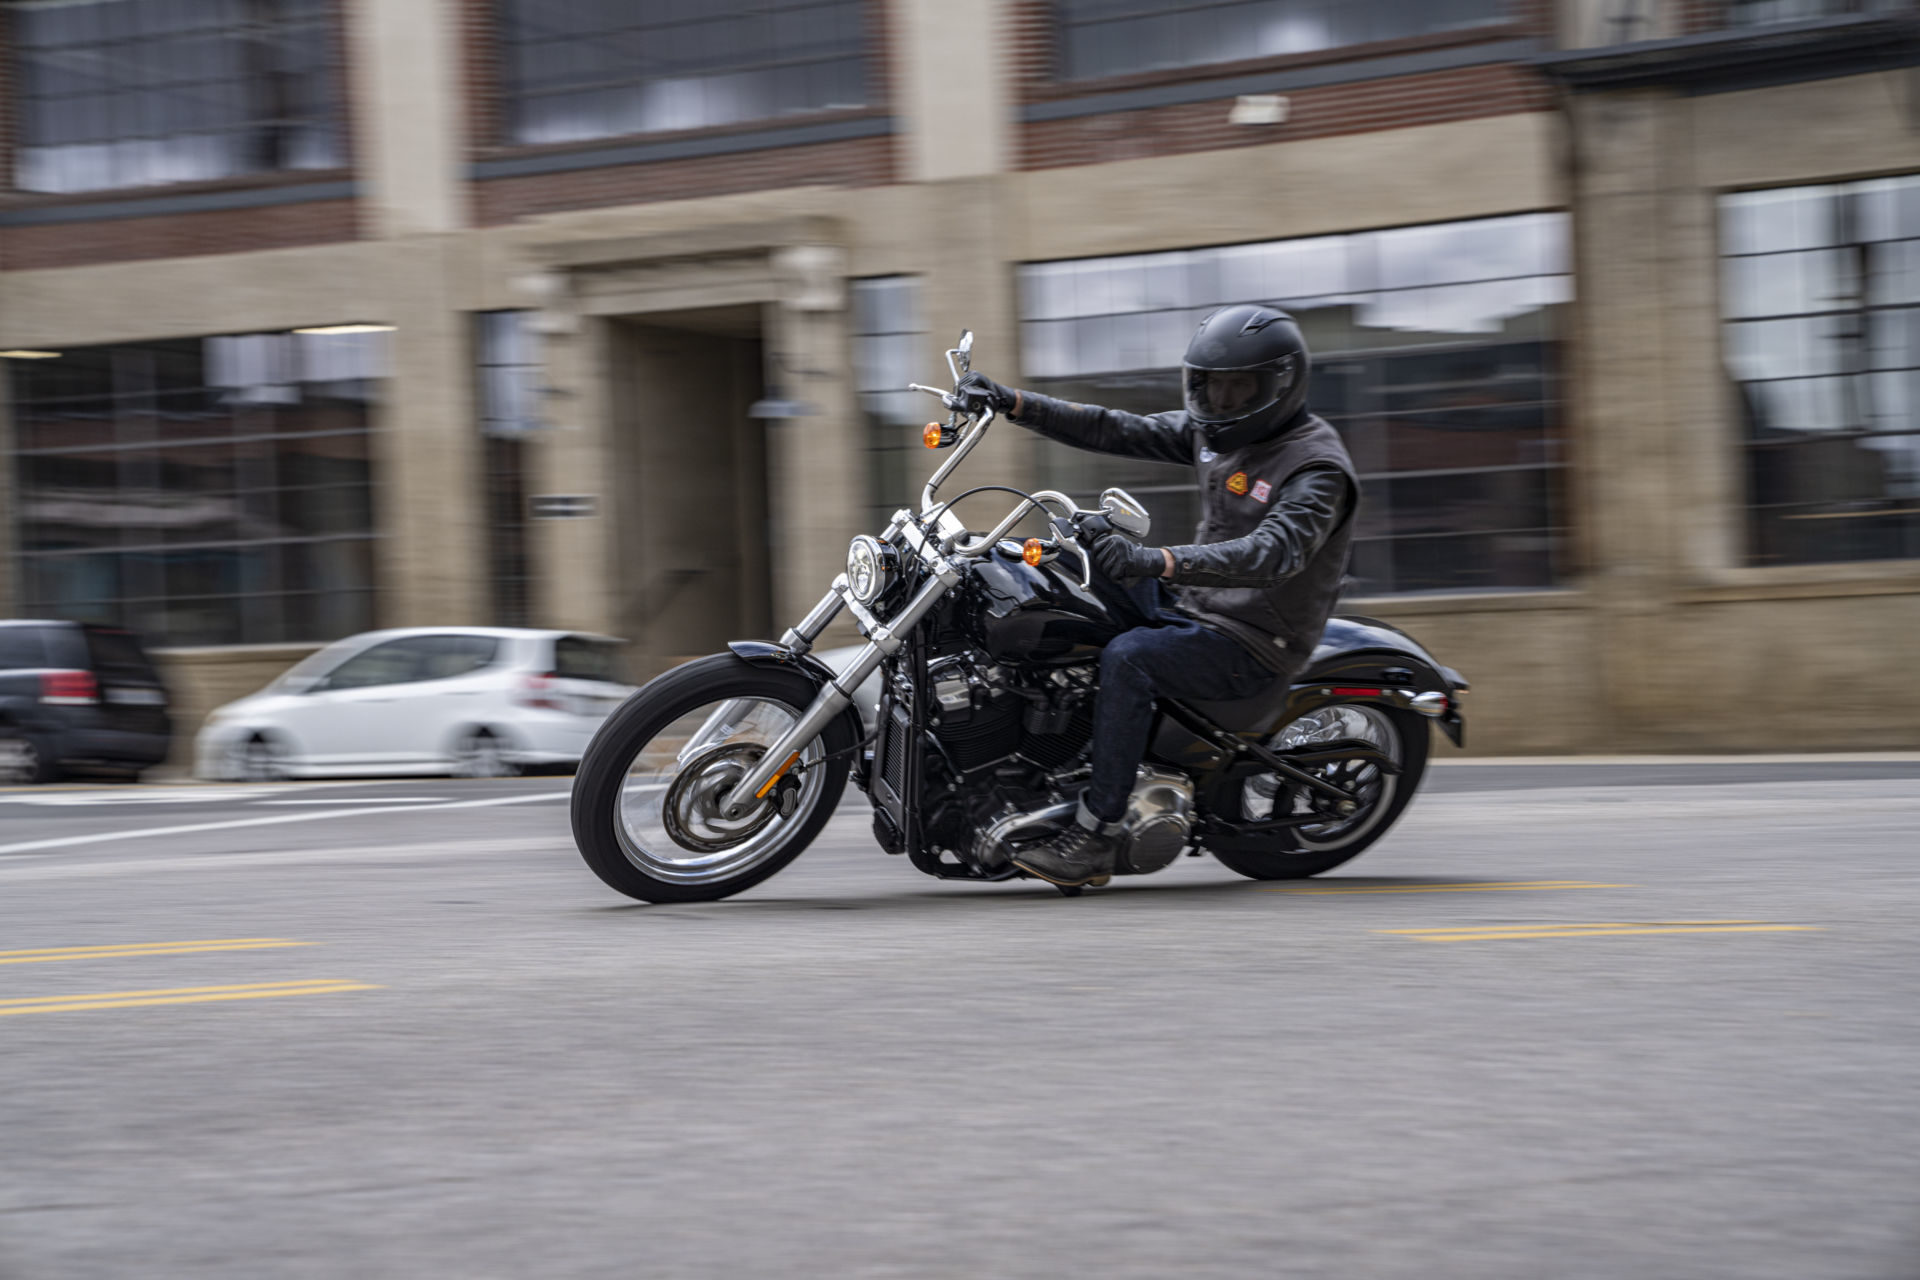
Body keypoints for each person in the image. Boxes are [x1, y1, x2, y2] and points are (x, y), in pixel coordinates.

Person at [955, 304, 1357, 888]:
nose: (1221, 401)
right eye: (1211, 386)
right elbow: (1116, 427)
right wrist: (1012, 402)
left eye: (1238, 388)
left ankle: (1094, 835)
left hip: (1253, 643)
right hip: (1196, 605)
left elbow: (1270, 556)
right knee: (1057, 578)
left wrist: (1156, 559)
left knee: (1131, 658)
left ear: (1281, 384)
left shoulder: (1316, 470)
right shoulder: (1215, 433)